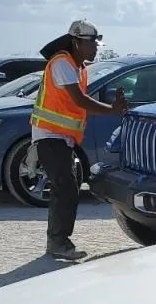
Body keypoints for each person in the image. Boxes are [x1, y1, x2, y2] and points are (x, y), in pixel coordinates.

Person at [30, 19, 129, 260]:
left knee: (66, 189)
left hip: (60, 139)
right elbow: (79, 101)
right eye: (91, 44)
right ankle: (58, 243)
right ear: (75, 42)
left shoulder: (77, 67)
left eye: (96, 44)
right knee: (66, 190)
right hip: (50, 137)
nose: (95, 48)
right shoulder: (62, 63)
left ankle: (57, 242)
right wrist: (112, 109)